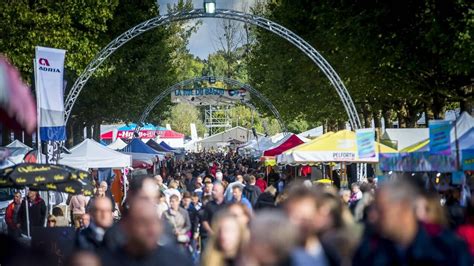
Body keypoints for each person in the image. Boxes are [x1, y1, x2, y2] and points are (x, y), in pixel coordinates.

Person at [353, 178, 472, 266]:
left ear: (404, 208)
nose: (372, 216)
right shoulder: (369, 250)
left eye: (380, 209)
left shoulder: (446, 248)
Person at [98, 199, 193, 266]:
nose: (151, 230)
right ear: (126, 226)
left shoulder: (177, 261)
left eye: (154, 222)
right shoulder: (107, 261)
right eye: (143, 223)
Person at [201, 182, 226, 251]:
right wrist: (211, 231)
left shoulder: (227, 205)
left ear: (222, 191)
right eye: (213, 190)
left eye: (215, 190)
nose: (213, 192)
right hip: (211, 237)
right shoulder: (209, 205)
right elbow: (204, 221)